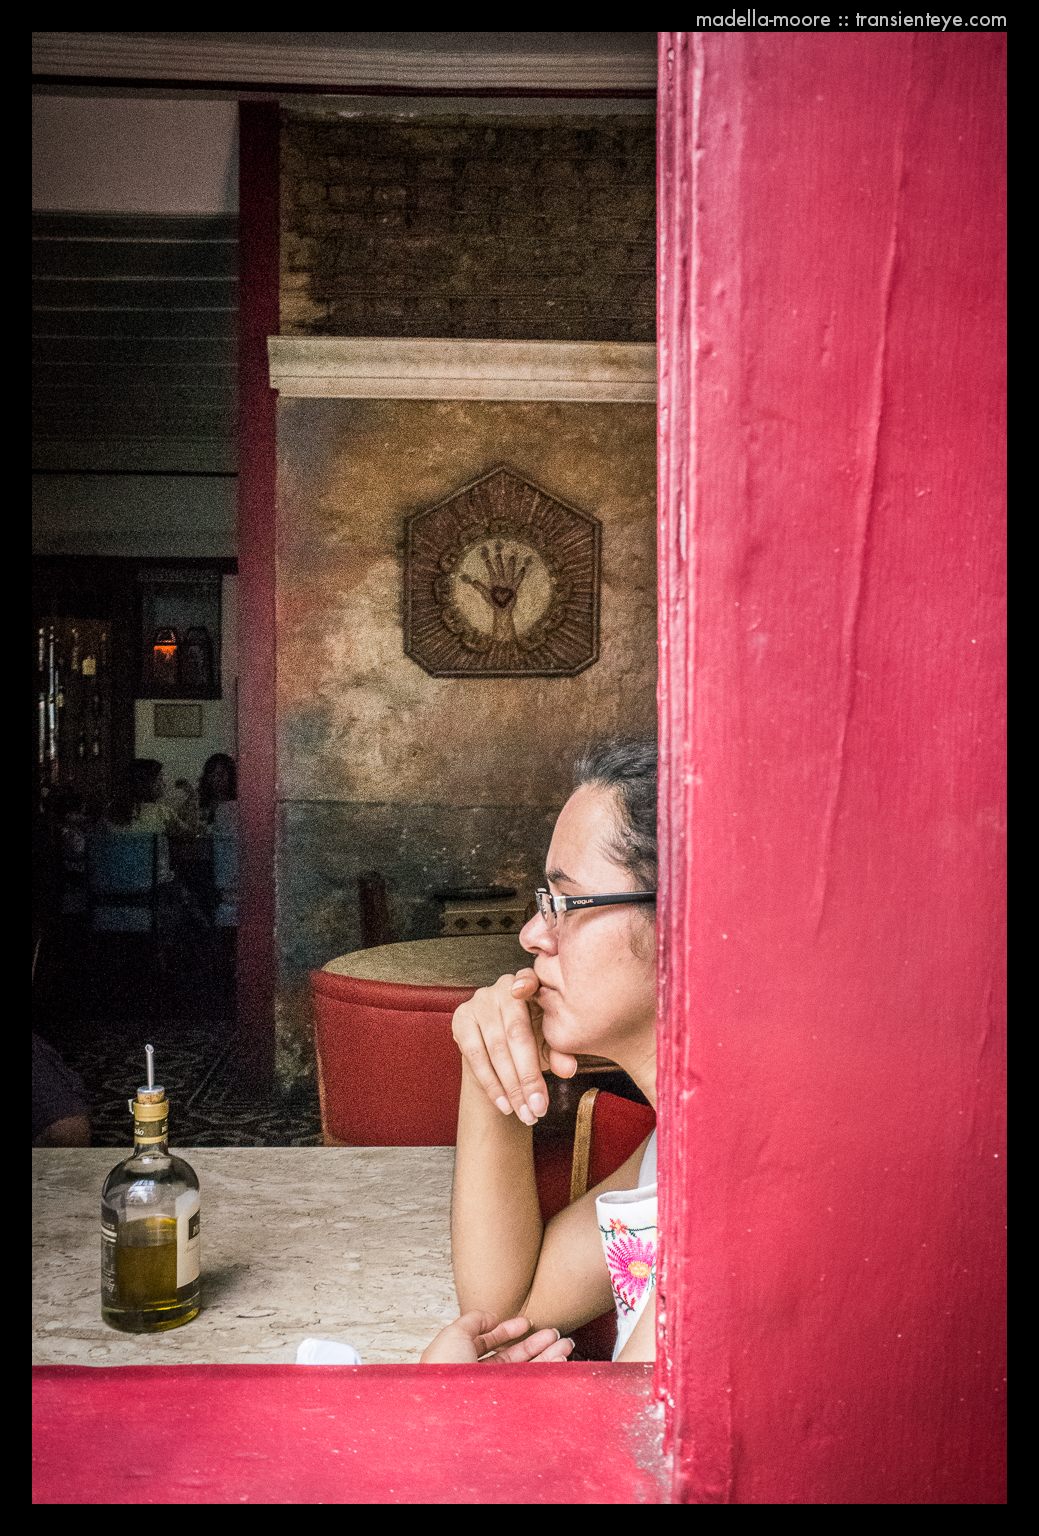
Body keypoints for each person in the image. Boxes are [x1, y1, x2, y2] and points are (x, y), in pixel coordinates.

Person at [421, 739, 658, 1365]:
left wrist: (439, 1410)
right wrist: (490, 1066)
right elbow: (503, 1317)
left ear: (683, 917)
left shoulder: (743, 1190)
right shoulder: (681, 1148)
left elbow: (631, 1452)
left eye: (565, 902)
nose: (531, 935)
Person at [198, 753, 237, 835]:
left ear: (230, 776)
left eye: (220, 775)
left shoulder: (235, 806)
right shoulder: (202, 802)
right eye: (212, 775)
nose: (216, 779)